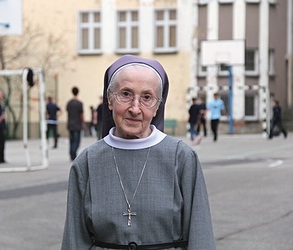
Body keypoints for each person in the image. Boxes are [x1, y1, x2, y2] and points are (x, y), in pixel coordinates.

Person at [61, 55, 215, 249]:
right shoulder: (87, 161)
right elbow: (74, 240)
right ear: (109, 100)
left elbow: (201, 236)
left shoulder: (182, 158)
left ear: (158, 106)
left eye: (146, 97)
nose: (135, 108)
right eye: (125, 94)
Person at [66, 86, 85, 161]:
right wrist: (83, 123)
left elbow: (68, 113)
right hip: (77, 124)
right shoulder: (79, 103)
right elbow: (81, 115)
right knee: (77, 141)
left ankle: (71, 154)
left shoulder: (69, 103)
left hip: (70, 124)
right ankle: (73, 152)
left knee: (71, 140)